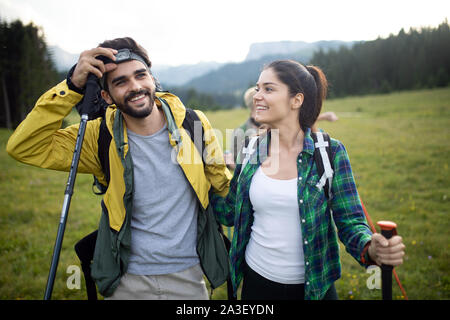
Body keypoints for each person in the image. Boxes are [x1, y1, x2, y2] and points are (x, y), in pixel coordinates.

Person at [6, 37, 232, 299]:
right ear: (106, 96)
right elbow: (24, 146)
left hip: (189, 277)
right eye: (120, 82)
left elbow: (224, 189)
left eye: (140, 75)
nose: (135, 87)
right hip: (126, 280)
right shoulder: (96, 137)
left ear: (152, 79)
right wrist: (72, 86)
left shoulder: (194, 123)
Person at [212, 60, 405, 300]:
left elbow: (350, 221)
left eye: (268, 89)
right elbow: (230, 210)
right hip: (256, 284)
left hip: (315, 288)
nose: (257, 96)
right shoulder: (250, 149)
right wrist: (200, 179)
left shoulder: (330, 152)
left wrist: (370, 248)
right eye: (257, 88)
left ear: (296, 100)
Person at [225, 86, 339, 170]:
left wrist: (324, 116)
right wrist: (230, 163)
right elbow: (239, 168)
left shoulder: (277, 125)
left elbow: (294, 121)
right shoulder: (241, 133)